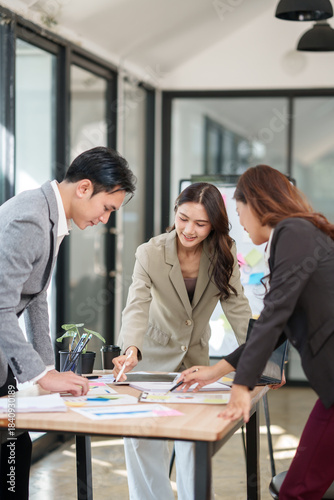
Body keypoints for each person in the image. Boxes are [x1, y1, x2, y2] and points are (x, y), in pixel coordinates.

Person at [178, 165, 334, 500]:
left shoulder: (293, 231)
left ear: (256, 203)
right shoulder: (300, 232)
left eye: (239, 212)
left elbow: (275, 314)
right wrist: (219, 370)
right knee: (300, 485)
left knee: (297, 489)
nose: (242, 226)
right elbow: (278, 323)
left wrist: (242, 385)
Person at [0, 146, 136, 499]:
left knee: (14, 452)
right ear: (84, 188)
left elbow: (36, 299)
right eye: (107, 208)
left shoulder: (51, 217)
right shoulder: (30, 218)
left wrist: (47, 370)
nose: (105, 220)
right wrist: (41, 375)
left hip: (6, 357)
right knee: (11, 456)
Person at [112, 182, 252, 500]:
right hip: (149, 359)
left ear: (213, 225)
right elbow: (136, 305)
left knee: (193, 446)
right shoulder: (150, 253)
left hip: (195, 366)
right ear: (175, 211)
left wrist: (262, 360)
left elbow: (239, 310)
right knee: (143, 444)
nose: (189, 229)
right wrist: (131, 347)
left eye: (200, 224)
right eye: (183, 218)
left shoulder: (223, 255)